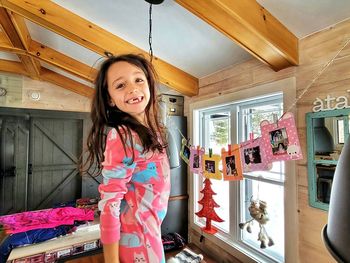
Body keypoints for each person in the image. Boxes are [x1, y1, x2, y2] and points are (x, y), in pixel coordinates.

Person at [84, 54, 170, 263]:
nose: (133, 88)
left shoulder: (153, 130)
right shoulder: (123, 136)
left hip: (151, 232)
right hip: (138, 240)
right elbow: (109, 205)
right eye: (121, 85)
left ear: (149, 84)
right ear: (110, 99)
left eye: (138, 79)